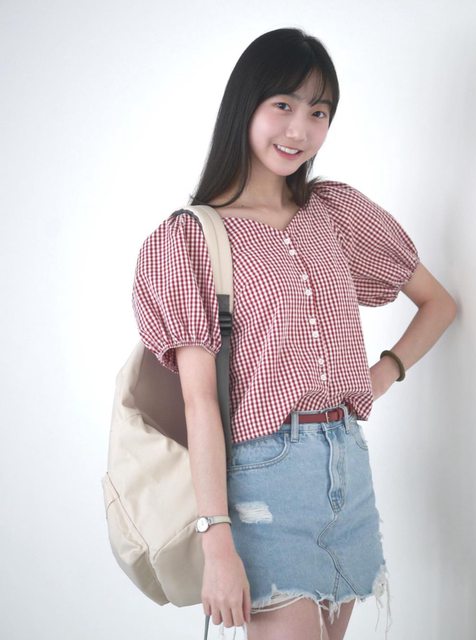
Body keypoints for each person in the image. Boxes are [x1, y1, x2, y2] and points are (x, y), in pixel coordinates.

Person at [132, 27, 457, 640]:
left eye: (319, 112)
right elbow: (199, 402)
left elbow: (438, 304)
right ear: (246, 105)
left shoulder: (335, 212)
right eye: (283, 104)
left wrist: (380, 376)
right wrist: (216, 539)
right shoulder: (190, 239)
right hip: (260, 480)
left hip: (348, 470)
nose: (300, 129)